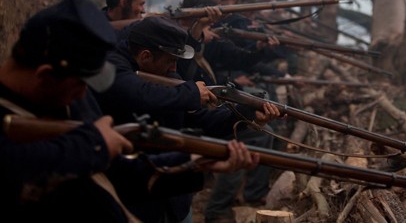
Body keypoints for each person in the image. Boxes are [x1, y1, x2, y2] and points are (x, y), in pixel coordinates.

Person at [93, 15, 280, 223]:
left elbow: (200, 119)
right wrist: (190, 94)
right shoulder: (112, 67)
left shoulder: (167, 76)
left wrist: (247, 114)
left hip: (173, 191)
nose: (175, 68)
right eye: (171, 61)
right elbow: (137, 94)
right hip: (130, 196)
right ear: (146, 57)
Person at [0, 0, 136, 222]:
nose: (83, 94)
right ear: (45, 75)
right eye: (80, 83)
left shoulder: (64, 100)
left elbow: (117, 168)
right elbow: (12, 165)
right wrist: (93, 144)